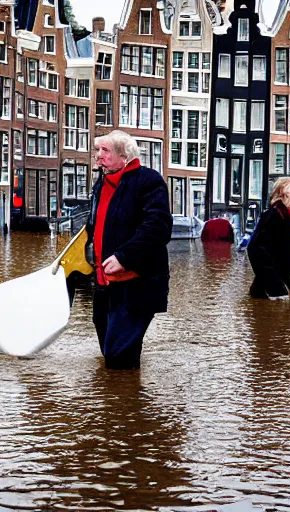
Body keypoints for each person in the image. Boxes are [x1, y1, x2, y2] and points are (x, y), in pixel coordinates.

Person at [87, 130, 172, 369]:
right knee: (109, 350)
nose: (98, 156)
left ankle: (124, 404)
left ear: (124, 156)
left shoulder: (148, 181)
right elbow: (94, 226)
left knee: (118, 356)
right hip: (105, 282)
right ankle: (124, 399)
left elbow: (158, 227)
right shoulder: (101, 184)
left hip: (137, 283)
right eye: (97, 150)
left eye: (105, 151)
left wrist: (125, 257)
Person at [247, 179, 290, 299]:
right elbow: (255, 249)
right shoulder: (273, 216)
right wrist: (275, 287)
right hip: (272, 291)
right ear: (282, 197)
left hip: (288, 284)